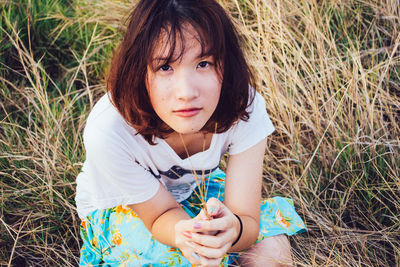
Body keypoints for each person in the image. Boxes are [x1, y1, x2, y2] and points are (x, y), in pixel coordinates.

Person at [75, 0, 306, 266]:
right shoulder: (109, 131)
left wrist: (233, 231)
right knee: (185, 261)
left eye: (204, 63)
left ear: (226, 66)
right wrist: (189, 236)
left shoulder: (245, 108)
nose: (186, 92)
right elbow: (159, 215)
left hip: (197, 187)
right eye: (165, 67)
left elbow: (247, 219)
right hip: (124, 204)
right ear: (139, 72)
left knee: (271, 249)